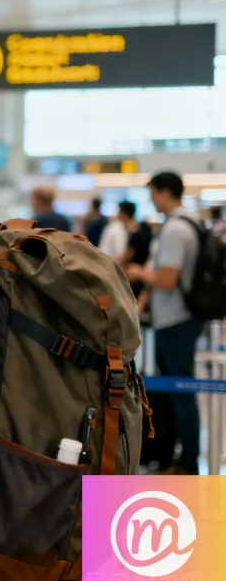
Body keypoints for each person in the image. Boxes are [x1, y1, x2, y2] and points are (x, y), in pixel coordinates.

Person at [126, 172, 202, 475]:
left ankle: (187, 462)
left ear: (166, 192)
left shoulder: (175, 229)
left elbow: (168, 279)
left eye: (153, 193)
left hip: (176, 319)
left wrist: (139, 274)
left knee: (181, 392)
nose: (152, 200)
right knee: (176, 392)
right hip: (179, 317)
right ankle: (175, 457)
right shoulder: (189, 223)